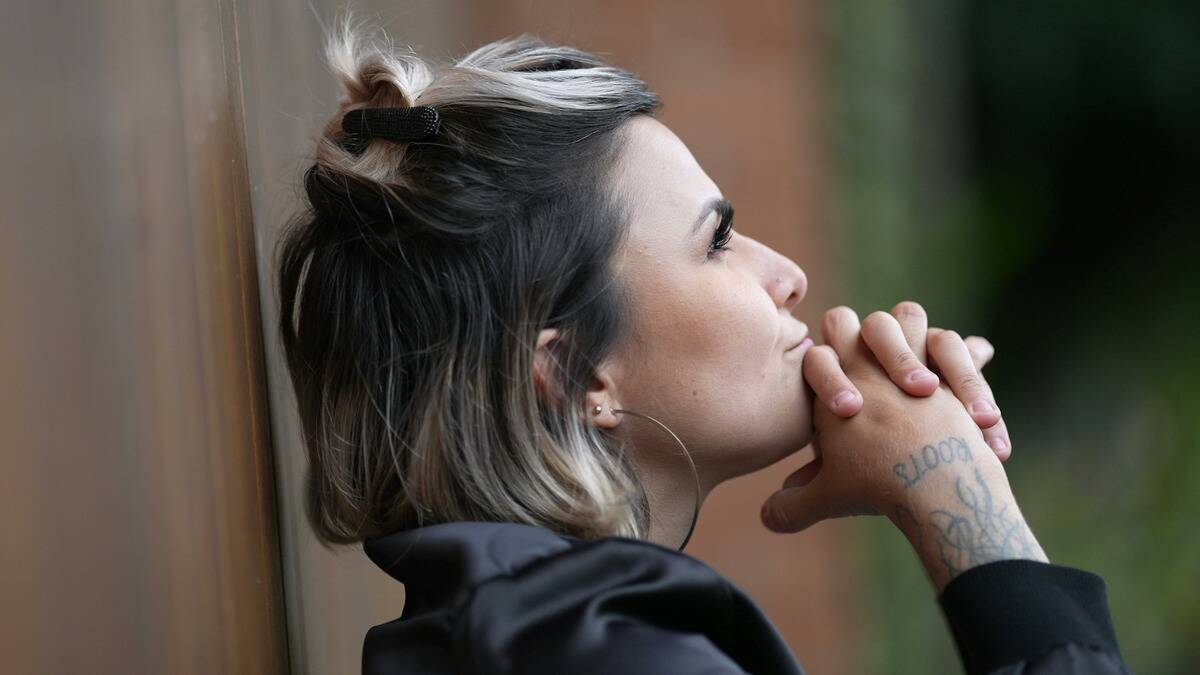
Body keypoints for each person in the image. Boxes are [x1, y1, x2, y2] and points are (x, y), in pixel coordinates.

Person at [276, 21, 1130, 675]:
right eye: (717, 241)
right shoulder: (602, 659)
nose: (788, 275)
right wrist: (962, 501)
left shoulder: (546, 635)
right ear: (572, 374)